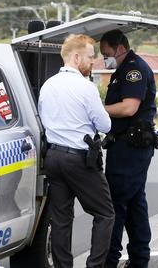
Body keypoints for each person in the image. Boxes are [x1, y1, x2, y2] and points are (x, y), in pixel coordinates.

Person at [38, 34, 114, 268]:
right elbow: (105, 125)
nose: (93, 62)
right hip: (78, 159)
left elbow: (42, 117)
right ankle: (95, 266)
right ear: (77, 56)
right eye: (91, 57)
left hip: (53, 157)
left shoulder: (47, 85)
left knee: (61, 219)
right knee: (105, 214)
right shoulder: (85, 87)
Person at [100, 29, 157, 268]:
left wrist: (98, 109)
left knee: (116, 204)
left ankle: (109, 260)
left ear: (120, 48)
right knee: (135, 204)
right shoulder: (122, 70)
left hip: (130, 146)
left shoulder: (133, 70)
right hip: (126, 145)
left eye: (106, 54)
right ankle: (139, 259)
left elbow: (128, 108)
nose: (105, 59)